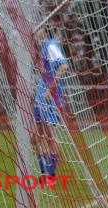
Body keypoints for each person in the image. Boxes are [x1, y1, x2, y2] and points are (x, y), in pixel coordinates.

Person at [32, 26, 68, 183]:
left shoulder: (51, 45)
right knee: (36, 136)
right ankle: (44, 172)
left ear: (45, 31)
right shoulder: (43, 47)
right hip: (41, 95)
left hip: (49, 97)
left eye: (39, 28)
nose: (36, 31)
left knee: (48, 136)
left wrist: (50, 89)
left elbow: (63, 66)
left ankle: (50, 174)